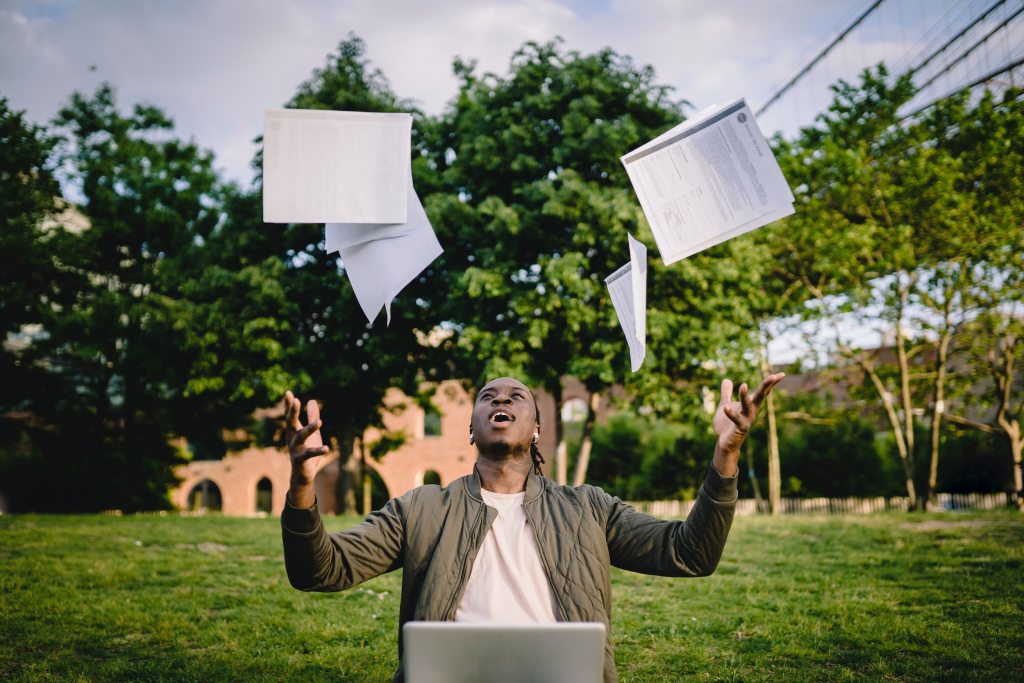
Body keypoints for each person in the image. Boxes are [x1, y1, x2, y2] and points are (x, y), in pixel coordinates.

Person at [281, 373, 784, 683]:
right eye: (487, 396)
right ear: (472, 427)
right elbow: (321, 571)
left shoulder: (589, 508)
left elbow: (689, 554)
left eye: (517, 396)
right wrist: (303, 483)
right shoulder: (420, 507)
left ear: (537, 427)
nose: (501, 400)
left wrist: (726, 455)